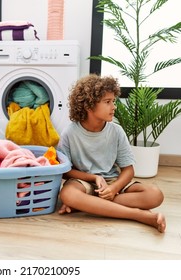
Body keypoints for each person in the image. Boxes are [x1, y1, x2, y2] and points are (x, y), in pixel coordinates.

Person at [57, 74, 166, 233]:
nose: (113, 106)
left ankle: (89, 204)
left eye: (113, 101)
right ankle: (138, 215)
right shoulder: (69, 133)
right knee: (67, 194)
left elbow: (129, 170)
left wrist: (114, 188)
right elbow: (65, 171)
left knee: (155, 195)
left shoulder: (116, 131)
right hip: (84, 182)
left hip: (112, 182)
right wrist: (94, 177)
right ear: (88, 105)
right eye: (107, 102)